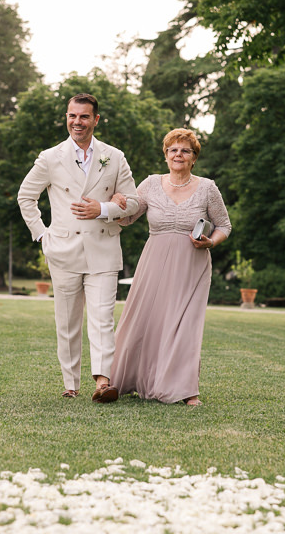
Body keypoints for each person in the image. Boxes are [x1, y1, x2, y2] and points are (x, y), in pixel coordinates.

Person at [17, 93, 139, 401]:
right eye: (73, 116)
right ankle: (70, 385)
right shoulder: (50, 157)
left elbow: (135, 203)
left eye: (84, 116)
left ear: (96, 120)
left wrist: (104, 209)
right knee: (67, 321)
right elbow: (26, 197)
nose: (77, 122)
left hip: (104, 247)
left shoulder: (114, 156)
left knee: (102, 318)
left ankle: (103, 382)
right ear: (66, 117)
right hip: (63, 249)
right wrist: (42, 236)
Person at [109, 128, 231, 406]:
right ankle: (124, 379)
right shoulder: (150, 184)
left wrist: (211, 242)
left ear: (194, 157)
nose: (179, 154)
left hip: (192, 264)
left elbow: (225, 225)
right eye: (173, 150)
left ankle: (187, 390)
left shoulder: (208, 187)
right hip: (153, 261)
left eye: (185, 150)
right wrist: (116, 202)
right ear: (166, 155)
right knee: (144, 320)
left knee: (186, 325)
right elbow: (127, 219)